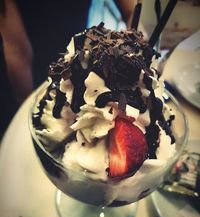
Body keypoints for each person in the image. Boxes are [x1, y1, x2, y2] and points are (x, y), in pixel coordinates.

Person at [0, 0, 137, 137]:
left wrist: (132, 58)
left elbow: (132, 10)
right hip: (39, 82)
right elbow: (18, 55)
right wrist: (28, 117)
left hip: (86, 62)